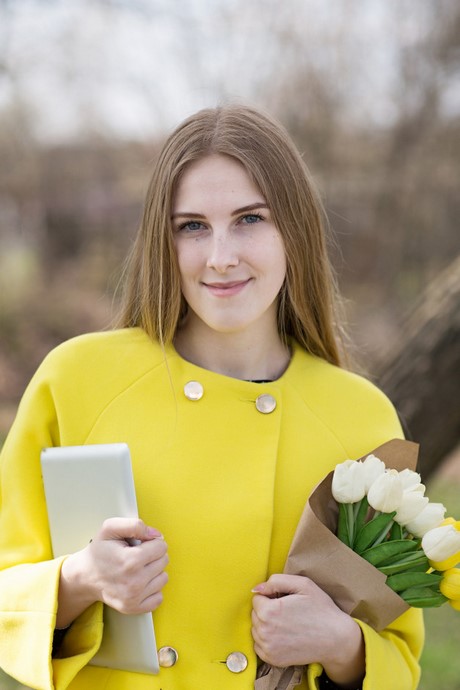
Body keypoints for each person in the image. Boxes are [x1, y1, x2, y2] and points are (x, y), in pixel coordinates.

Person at [0, 104, 423, 690]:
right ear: (162, 240)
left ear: (294, 231)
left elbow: (401, 650)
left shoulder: (362, 417)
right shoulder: (76, 381)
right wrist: (80, 580)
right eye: (192, 226)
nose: (221, 256)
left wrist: (342, 644)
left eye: (250, 219)